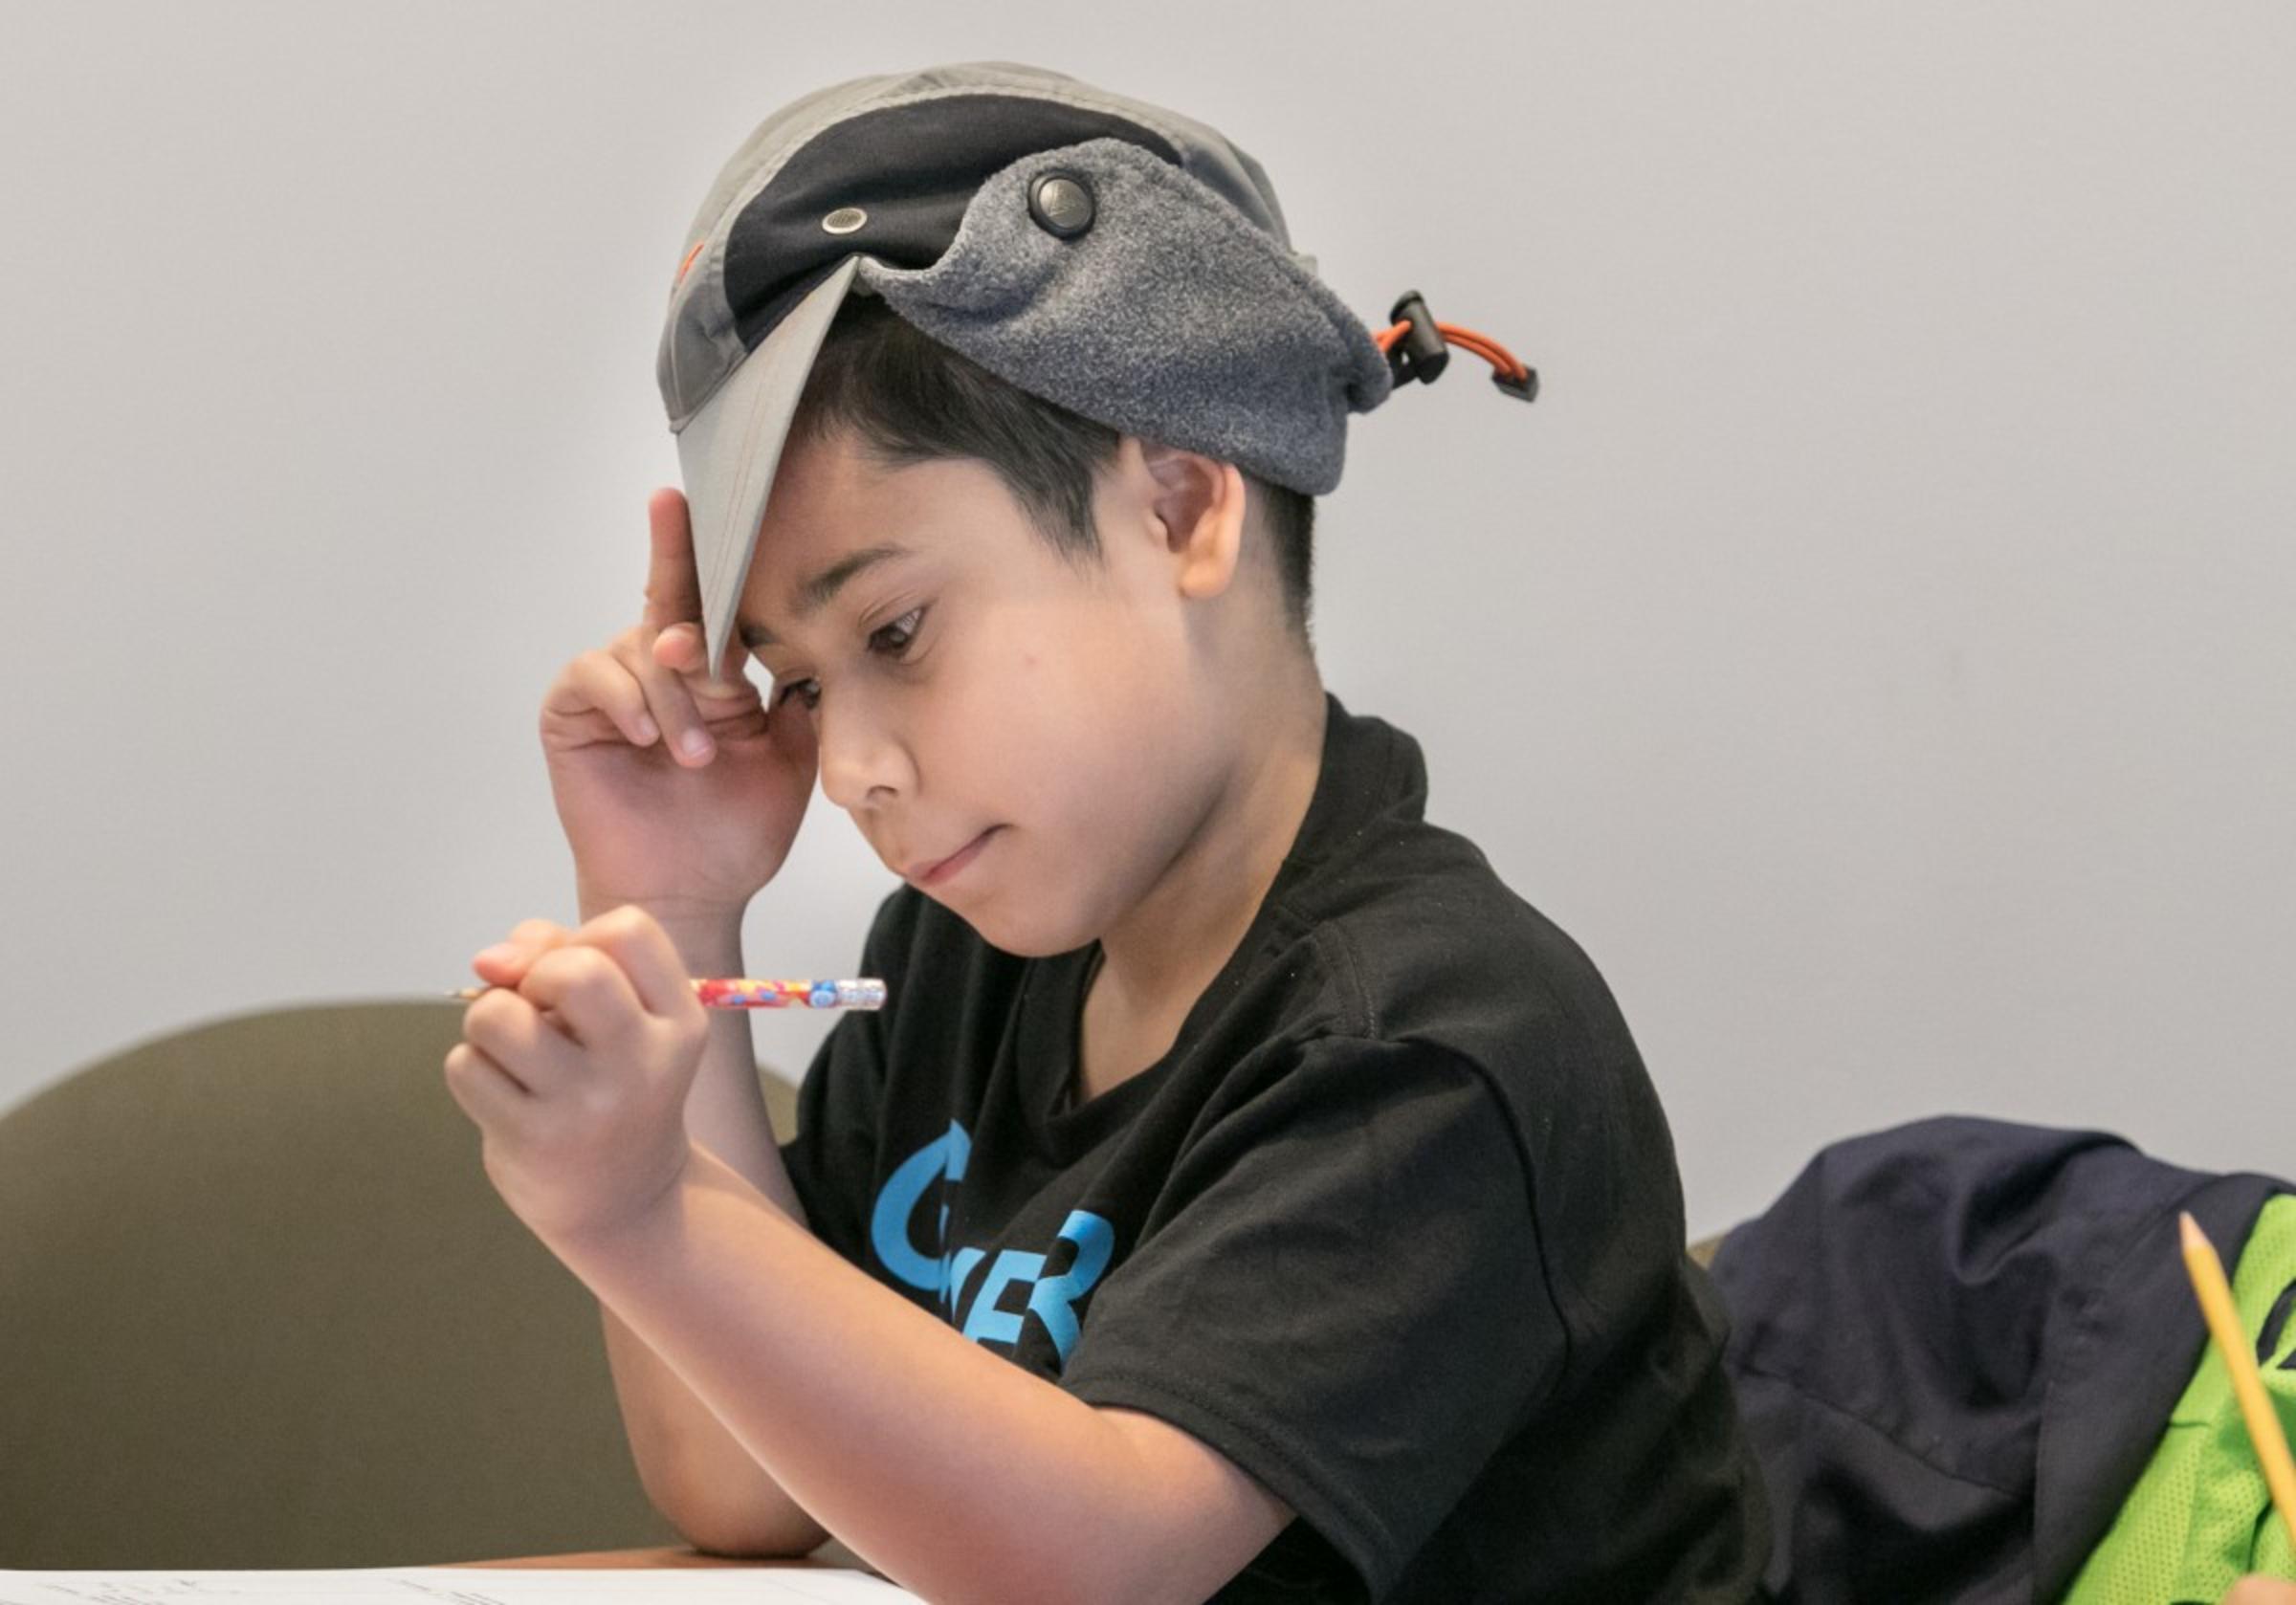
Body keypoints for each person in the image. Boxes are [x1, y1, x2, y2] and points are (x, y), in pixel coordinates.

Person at [443, 61, 1769, 1603]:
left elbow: (1101, 1563)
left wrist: (647, 1212)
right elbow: (739, 1483)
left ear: (1183, 508)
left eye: (899, 629)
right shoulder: (967, 960)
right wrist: (670, 905)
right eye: (798, 683)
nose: (853, 767)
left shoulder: (1427, 1041)